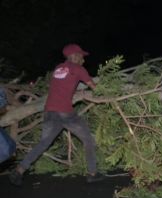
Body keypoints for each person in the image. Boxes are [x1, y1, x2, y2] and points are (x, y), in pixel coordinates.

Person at [9, 44, 104, 186]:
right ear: (76, 56)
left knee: (43, 143)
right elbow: (94, 87)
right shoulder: (79, 69)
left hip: (49, 111)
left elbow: (63, 86)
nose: (83, 60)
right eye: (82, 57)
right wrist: (108, 93)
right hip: (65, 112)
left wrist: (75, 92)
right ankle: (92, 173)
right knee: (88, 139)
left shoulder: (59, 68)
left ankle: (19, 170)